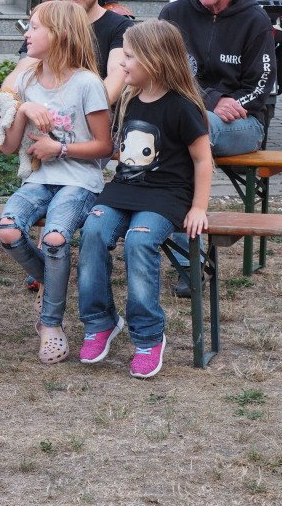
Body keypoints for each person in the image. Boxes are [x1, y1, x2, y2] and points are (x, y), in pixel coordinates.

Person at [77, 19, 211, 378]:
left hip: (168, 194)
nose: (122, 63)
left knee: (139, 241)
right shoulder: (130, 98)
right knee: (93, 231)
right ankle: (100, 321)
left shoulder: (183, 106)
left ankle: (148, 337)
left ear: (155, 59)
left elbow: (203, 160)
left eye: (130, 56)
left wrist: (199, 207)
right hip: (125, 188)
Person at [0, 0, 113, 365]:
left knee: (55, 239)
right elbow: (8, 146)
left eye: (34, 27)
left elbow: (104, 146)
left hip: (79, 181)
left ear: (60, 35)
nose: (27, 34)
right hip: (38, 179)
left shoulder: (87, 83)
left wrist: (59, 148)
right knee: (8, 231)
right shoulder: (28, 80)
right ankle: (53, 279)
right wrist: (23, 109)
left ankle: (50, 324)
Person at [158, 0, 275, 295]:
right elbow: (166, 73)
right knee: (179, 135)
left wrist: (228, 104)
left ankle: (189, 253)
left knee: (189, 134)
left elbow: (261, 86)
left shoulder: (255, 18)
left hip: (244, 122)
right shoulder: (173, 15)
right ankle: (188, 255)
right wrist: (212, 100)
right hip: (192, 117)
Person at [1, 0, 132, 100]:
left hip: (96, 110)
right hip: (46, 110)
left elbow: (117, 74)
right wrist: (5, 102)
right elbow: (23, 69)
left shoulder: (120, 26)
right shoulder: (47, 22)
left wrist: (86, 109)